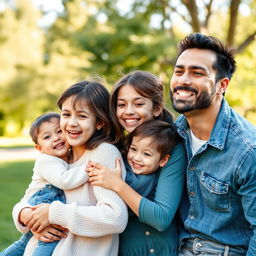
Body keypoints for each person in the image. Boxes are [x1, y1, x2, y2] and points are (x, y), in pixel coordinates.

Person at [12, 81, 128, 256]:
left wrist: (53, 213)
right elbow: (30, 197)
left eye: (81, 116)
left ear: (99, 123)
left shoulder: (102, 153)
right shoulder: (59, 156)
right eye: (66, 114)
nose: (71, 123)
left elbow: (114, 218)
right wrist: (27, 215)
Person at [169, 33, 256, 256]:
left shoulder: (247, 150)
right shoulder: (171, 135)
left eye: (197, 73)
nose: (183, 80)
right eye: (179, 71)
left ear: (221, 85)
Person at [87, 70, 186, 256]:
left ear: (156, 108)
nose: (129, 111)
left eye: (139, 104)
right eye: (121, 105)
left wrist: (118, 185)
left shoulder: (172, 148)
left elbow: (161, 218)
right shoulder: (111, 150)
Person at [1, 112, 90, 256]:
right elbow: (65, 180)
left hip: (42, 204)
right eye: (47, 137)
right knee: (48, 242)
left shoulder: (65, 158)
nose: (55, 138)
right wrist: (88, 168)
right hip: (41, 203)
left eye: (59, 131)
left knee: (23, 244)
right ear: (39, 148)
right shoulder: (46, 160)